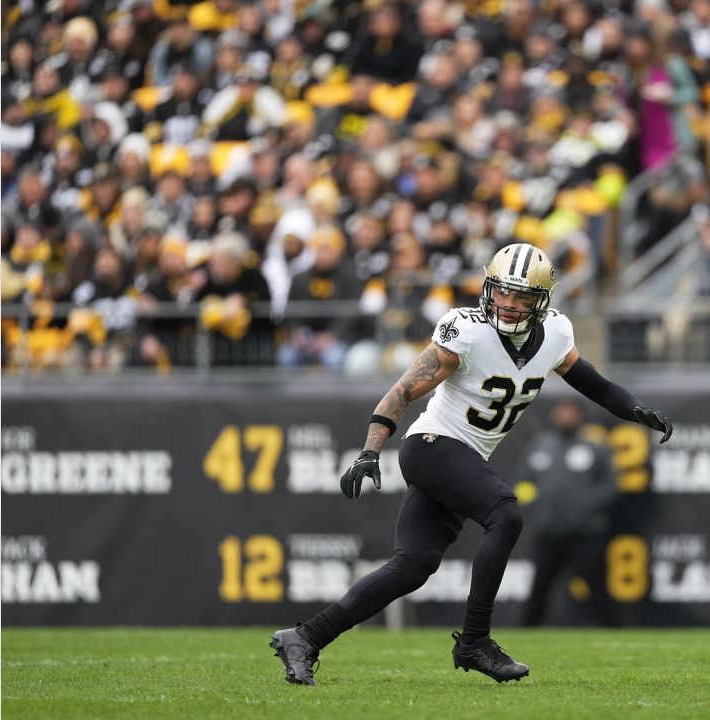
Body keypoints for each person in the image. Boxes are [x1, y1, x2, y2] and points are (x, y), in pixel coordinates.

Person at [269, 243, 673, 686]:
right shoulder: (466, 330)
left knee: (412, 566)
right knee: (505, 514)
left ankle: (304, 637)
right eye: (502, 292)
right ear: (488, 288)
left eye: (522, 298)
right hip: (431, 445)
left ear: (541, 302)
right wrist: (369, 450)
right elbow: (403, 390)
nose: (509, 304)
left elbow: (593, 382)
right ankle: (475, 641)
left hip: (462, 456)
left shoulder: (555, 335)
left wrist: (636, 409)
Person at [518, 399, 618, 627]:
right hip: (548, 531)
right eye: (561, 413)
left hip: (586, 532)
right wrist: (536, 505)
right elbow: (522, 482)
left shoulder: (594, 447)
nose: (565, 417)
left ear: (580, 416)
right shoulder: (540, 446)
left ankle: (612, 630)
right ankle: (526, 632)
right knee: (539, 586)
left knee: (597, 585)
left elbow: (611, 484)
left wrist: (586, 505)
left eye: (570, 413)